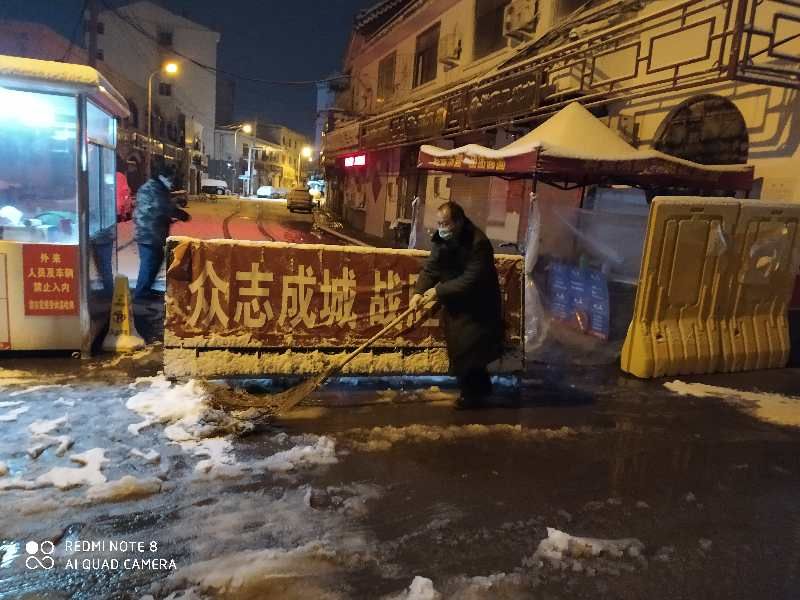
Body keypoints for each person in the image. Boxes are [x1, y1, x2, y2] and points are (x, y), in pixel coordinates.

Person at [411, 201, 504, 409]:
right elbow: (432, 268)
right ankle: (480, 391)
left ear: (459, 222)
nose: (441, 228)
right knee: (461, 349)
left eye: (445, 224)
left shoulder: (478, 243)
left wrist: (437, 291)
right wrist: (418, 291)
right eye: (439, 224)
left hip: (479, 305)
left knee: (469, 350)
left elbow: (472, 279)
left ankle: (471, 397)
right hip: (456, 303)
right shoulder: (442, 240)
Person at [133, 162, 190, 300]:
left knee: (155, 261)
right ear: (162, 176)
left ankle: (145, 290)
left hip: (152, 232)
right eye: (169, 178)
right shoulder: (155, 188)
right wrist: (180, 214)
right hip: (149, 234)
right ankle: (141, 293)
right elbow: (163, 207)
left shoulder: (157, 187)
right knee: (149, 264)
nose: (171, 182)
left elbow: (161, 207)